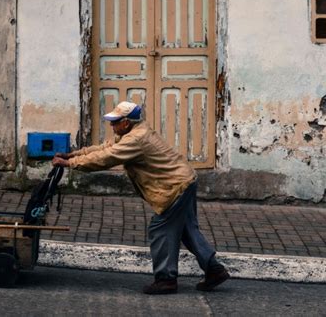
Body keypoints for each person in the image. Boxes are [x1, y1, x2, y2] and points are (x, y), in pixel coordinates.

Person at [52, 101, 229, 295]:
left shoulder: (135, 139)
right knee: (186, 230)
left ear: (126, 122)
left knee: (160, 229)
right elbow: (105, 148)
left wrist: (71, 164)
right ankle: (214, 270)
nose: (112, 125)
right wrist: (72, 155)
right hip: (184, 181)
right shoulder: (131, 133)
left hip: (175, 186)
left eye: (115, 122)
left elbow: (107, 158)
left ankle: (166, 280)